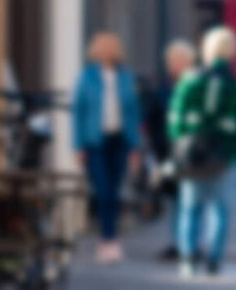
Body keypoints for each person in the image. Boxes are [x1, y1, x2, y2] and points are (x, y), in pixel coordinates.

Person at [168, 26, 236, 277]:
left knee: (190, 206)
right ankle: (213, 259)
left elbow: (175, 118)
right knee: (219, 207)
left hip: (192, 154)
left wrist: (181, 142)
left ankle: (188, 258)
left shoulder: (190, 80)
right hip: (226, 154)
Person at [73, 30, 143, 263]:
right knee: (102, 190)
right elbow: (78, 112)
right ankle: (106, 238)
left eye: (111, 46)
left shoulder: (124, 76)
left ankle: (111, 239)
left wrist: (134, 145)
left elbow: (133, 112)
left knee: (114, 191)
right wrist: (78, 144)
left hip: (119, 140)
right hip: (95, 141)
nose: (107, 51)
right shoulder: (87, 77)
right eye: (103, 46)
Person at [145, 39, 198, 260]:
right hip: (167, 151)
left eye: (177, 60)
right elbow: (153, 119)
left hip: (193, 152)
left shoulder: (196, 85)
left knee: (192, 199)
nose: (173, 64)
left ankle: (190, 244)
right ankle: (181, 243)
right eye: (171, 61)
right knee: (176, 200)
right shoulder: (163, 88)